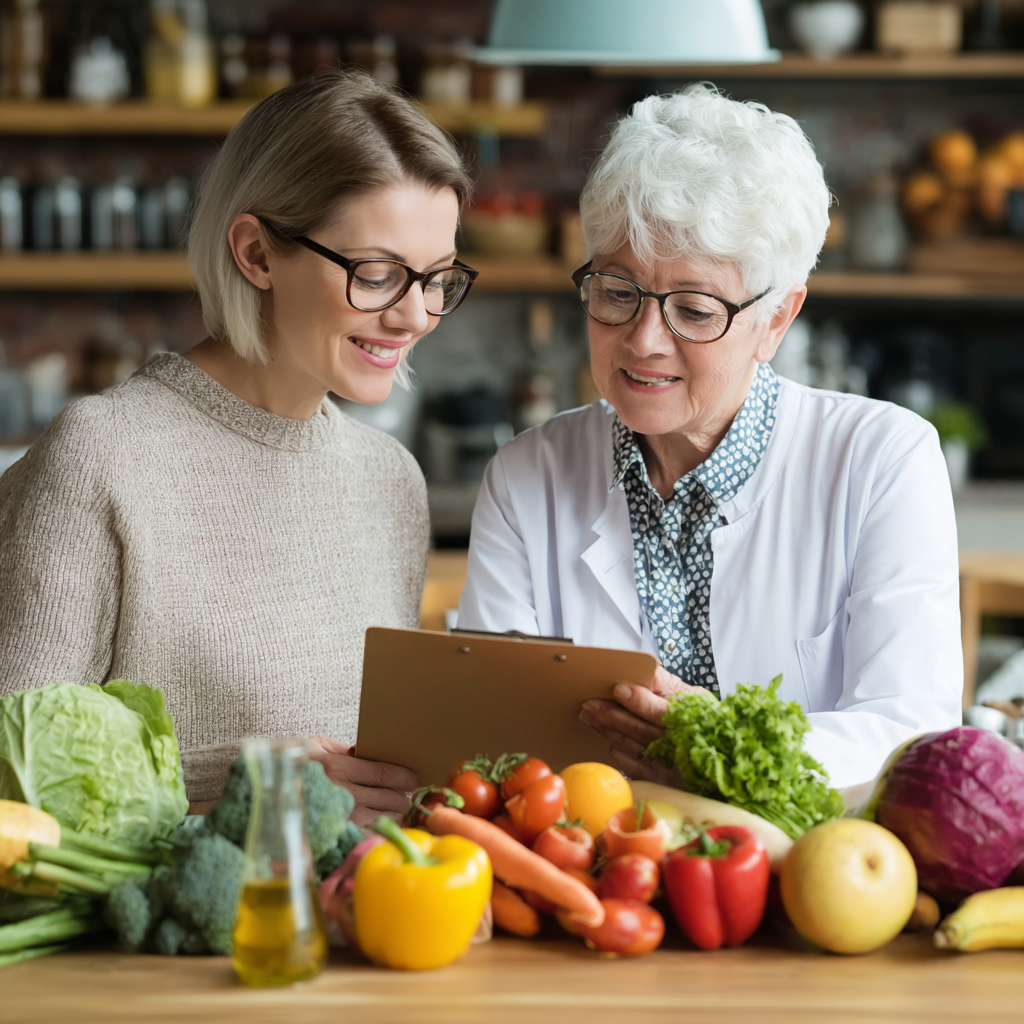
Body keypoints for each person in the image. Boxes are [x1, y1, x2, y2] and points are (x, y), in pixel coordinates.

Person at [0, 70, 477, 825]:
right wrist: (235, 785)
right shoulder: (101, 456)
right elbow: (12, 792)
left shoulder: (391, 481)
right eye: (379, 274)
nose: (414, 315)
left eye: (438, 279)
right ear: (256, 253)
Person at [457, 84, 962, 790]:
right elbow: (488, 736)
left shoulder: (882, 460)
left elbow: (913, 736)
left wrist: (718, 740)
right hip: (595, 876)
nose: (643, 340)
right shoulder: (525, 476)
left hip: (813, 876)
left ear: (777, 321)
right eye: (616, 291)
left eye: (693, 309)